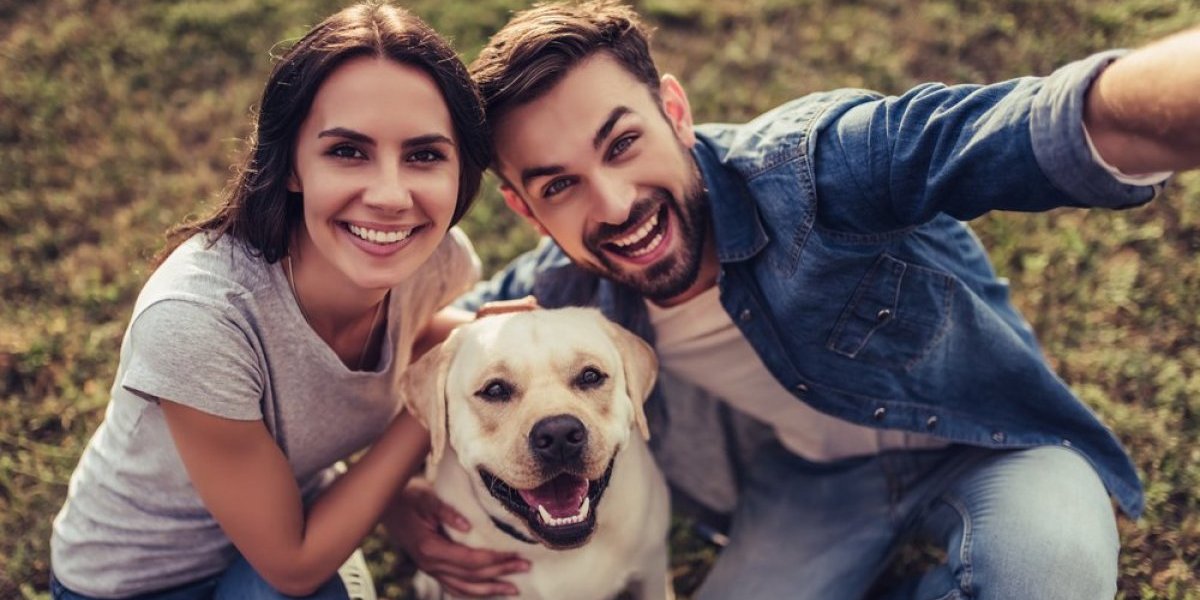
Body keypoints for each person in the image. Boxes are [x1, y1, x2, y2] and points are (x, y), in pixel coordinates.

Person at [388, 1, 1200, 598]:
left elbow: (1020, 127)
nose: (611, 204)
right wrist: (398, 496)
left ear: (674, 111)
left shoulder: (818, 170)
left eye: (624, 143)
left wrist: (1162, 95)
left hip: (992, 439)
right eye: (559, 184)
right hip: (810, 482)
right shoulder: (565, 294)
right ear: (527, 210)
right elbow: (402, 345)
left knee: (1047, 578)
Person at [47, 3, 506, 598]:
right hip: (131, 583)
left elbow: (416, 334)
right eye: (347, 151)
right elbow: (293, 562)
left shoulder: (433, 260)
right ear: (290, 164)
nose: (393, 197)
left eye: (424, 155)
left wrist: (487, 344)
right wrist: (437, 397)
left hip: (278, 539)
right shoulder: (198, 320)